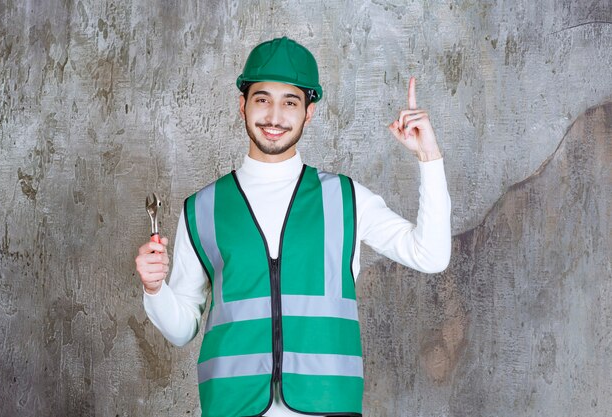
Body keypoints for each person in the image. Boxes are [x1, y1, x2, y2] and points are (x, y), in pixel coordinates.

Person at [135, 37, 451, 417]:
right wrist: (154, 290)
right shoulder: (201, 208)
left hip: (326, 407)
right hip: (231, 408)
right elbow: (183, 328)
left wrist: (429, 159)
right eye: (262, 99)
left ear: (309, 112)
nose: (274, 116)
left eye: (290, 102)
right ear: (243, 105)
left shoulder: (346, 199)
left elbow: (430, 255)